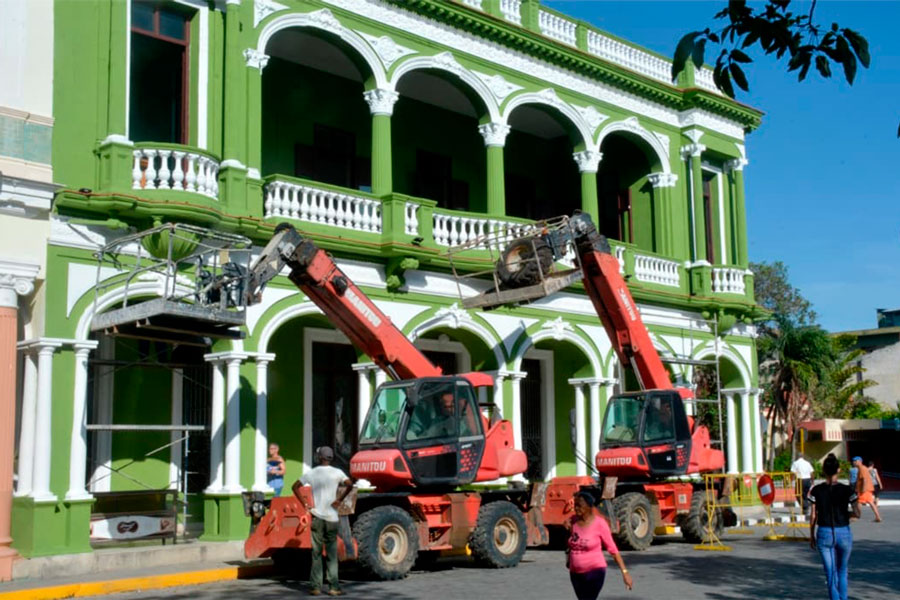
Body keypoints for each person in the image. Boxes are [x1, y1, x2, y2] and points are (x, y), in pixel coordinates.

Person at [293, 446, 354, 597]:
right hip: (332, 518)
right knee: (332, 554)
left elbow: (295, 486)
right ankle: (334, 587)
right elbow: (350, 484)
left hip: (317, 517)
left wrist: (305, 504)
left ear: (320, 457)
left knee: (316, 553)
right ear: (331, 458)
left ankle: (315, 587)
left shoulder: (312, 473)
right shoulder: (337, 473)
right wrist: (339, 500)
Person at [809, 453, 860, 600]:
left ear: (824, 471)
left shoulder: (816, 490)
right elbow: (857, 513)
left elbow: (813, 515)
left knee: (830, 574)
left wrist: (811, 535)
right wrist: (848, 515)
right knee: (842, 570)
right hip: (843, 532)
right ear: (838, 470)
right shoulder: (847, 490)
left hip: (824, 533)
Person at [565, 491, 633, 599]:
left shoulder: (600, 524)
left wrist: (625, 573)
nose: (576, 508)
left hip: (595, 571)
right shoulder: (573, 521)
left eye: (580, 506)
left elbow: (613, 550)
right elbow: (571, 542)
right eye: (575, 505)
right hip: (575, 573)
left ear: (589, 507)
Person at [852, 457, 882, 523]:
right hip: (866, 488)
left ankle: (857, 516)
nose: (853, 462)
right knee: (871, 502)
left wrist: (863, 489)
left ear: (859, 461)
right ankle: (878, 517)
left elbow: (865, 479)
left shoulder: (862, 468)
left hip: (865, 489)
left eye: (855, 461)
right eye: (853, 461)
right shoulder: (862, 468)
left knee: (859, 502)